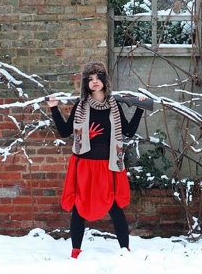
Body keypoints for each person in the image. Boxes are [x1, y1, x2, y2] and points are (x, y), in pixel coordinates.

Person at [46, 61, 145, 259]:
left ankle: (125, 249)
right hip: (84, 164)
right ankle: (75, 251)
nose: (94, 81)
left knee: (115, 207)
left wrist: (140, 108)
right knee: (79, 207)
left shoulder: (113, 106)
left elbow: (127, 131)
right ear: (85, 84)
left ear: (104, 80)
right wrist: (54, 108)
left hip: (108, 165)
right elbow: (66, 132)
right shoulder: (81, 106)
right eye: (90, 79)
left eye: (98, 77)